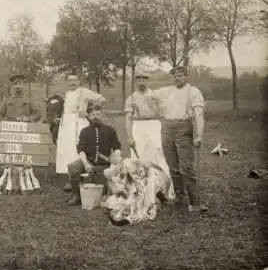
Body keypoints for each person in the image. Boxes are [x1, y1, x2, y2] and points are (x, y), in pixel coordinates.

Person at [150, 66, 207, 213]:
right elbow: (148, 96)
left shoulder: (193, 92)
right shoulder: (167, 91)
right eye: (175, 76)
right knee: (173, 167)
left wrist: (198, 135)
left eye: (180, 75)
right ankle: (180, 199)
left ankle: (195, 202)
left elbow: (199, 115)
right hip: (166, 129)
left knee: (186, 168)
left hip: (184, 130)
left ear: (186, 77)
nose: (177, 78)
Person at [124, 70, 175, 200]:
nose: (141, 82)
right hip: (139, 127)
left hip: (153, 125)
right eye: (139, 80)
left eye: (144, 80)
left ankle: (166, 189)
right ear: (136, 82)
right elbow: (128, 119)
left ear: (148, 81)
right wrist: (130, 137)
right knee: (139, 157)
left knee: (159, 154)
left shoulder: (155, 95)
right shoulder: (131, 98)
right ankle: (143, 191)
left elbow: (163, 112)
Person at [56, 74, 106, 191]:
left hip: (78, 123)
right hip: (67, 124)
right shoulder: (68, 94)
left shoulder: (83, 91)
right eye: (70, 80)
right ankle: (70, 175)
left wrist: (89, 112)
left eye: (75, 80)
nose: (72, 83)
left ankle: (79, 177)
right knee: (66, 149)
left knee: (77, 148)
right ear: (67, 82)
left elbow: (101, 99)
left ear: (79, 82)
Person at [66, 103, 122, 206]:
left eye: (97, 114)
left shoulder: (110, 130)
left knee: (104, 188)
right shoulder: (85, 131)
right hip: (88, 161)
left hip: (103, 163)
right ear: (88, 117)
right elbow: (81, 150)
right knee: (73, 167)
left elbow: (117, 147)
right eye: (92, 114)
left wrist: (113, 160)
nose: (95, 117)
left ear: (101, 115)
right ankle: (76, 196)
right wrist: (86, 164)